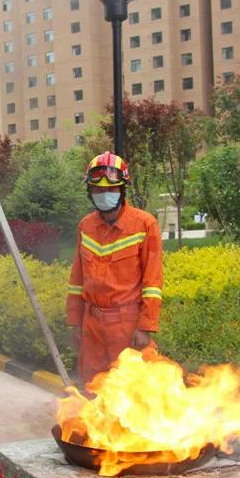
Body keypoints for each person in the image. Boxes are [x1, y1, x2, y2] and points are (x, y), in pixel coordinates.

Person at [67, 152, 163, 384]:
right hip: (92, 323)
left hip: (127, 324)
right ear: (90, 192)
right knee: (93, 383)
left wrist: (145, 326)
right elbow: (77, 279)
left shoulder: (144, 224)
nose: (104, 195)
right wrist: (74, 320)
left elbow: (153, 282)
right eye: (98, 191)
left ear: (122, 190)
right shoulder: (86, 226)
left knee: (131, 387)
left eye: (110, 190)